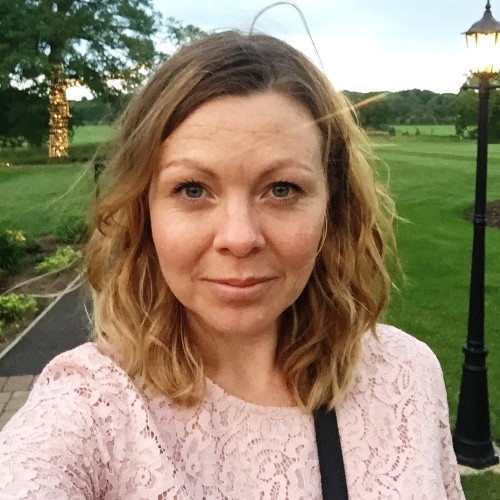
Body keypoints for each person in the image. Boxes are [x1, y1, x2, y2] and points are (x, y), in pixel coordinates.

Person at [0, 31, 465, 499]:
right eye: (193, 190)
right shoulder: (91, 406)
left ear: (333, 207)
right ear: (144, 211)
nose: (240, 239)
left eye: (281, 189)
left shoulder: (407, 376)